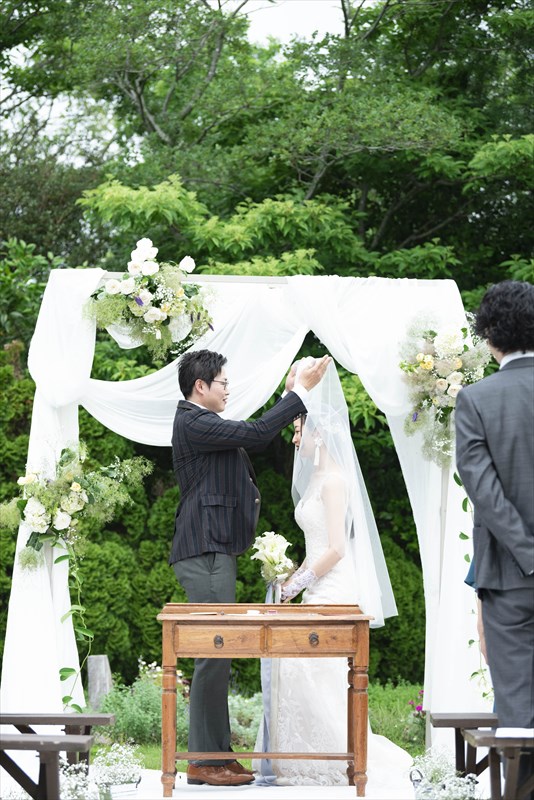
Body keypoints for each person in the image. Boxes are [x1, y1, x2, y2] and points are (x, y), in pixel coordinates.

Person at [170, 348, 331, 787]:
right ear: (200, 386)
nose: (228, 390)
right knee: (212, 651)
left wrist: (287, 397)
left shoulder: (205, 423)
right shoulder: (194, 420)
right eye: (223, 383)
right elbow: (257, 433)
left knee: (219, 652)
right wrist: (298, 394)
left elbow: (253, 431)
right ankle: (204, 762)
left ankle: (218, 755)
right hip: (204, 549)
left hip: (213, 548)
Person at [255, 359, 413, 794]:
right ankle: (305, 759)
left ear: (319, 433)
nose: (294, 438)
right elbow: (317, 542)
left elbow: (338, 548)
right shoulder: (315, 481)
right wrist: (289, 569)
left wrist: (295, 584)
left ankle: (341, 758)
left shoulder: (335, 481)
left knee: (319, 674)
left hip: (333, 587)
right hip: (315, 584)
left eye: (298, 430)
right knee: (304, 672)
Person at [455, 280, 534, 796]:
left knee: (519, 710)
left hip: (508, 577)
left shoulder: (476, 399)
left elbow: (484, 493)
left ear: (488, 337)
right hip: (510, 572)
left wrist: (529, 554)